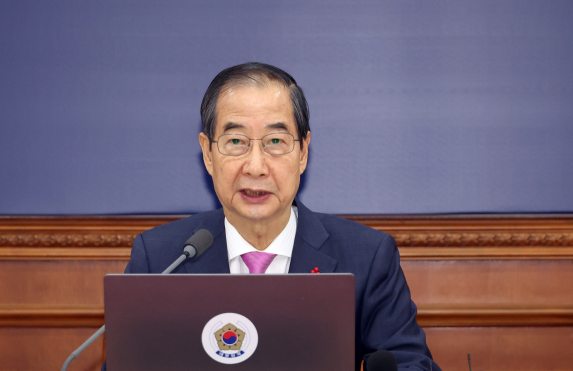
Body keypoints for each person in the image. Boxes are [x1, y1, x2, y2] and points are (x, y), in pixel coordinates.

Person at [103, 62, 438, 371]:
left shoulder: (367, 257)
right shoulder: (161, 259)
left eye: (275, 141)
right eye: (236, 141)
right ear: (207, 153)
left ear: (303, 152)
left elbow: (410, 365)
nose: (256, 167)